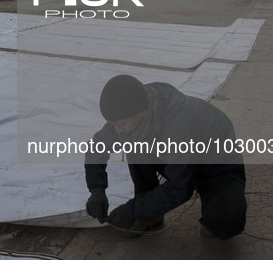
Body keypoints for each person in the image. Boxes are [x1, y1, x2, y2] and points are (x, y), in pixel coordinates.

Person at [85, 75, 247, 239]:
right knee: (134, 141)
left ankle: (219, 201)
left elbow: (180, 188)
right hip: (181, 158)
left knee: (225, 223)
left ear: (141, 112)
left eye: (121, 124)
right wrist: (96, 190)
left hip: (215, 165)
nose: (118, 130)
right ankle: (150, 214)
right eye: (114, 124)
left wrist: (133, 208)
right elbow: (97, 147)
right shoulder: (131, 108)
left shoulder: (178, 124)